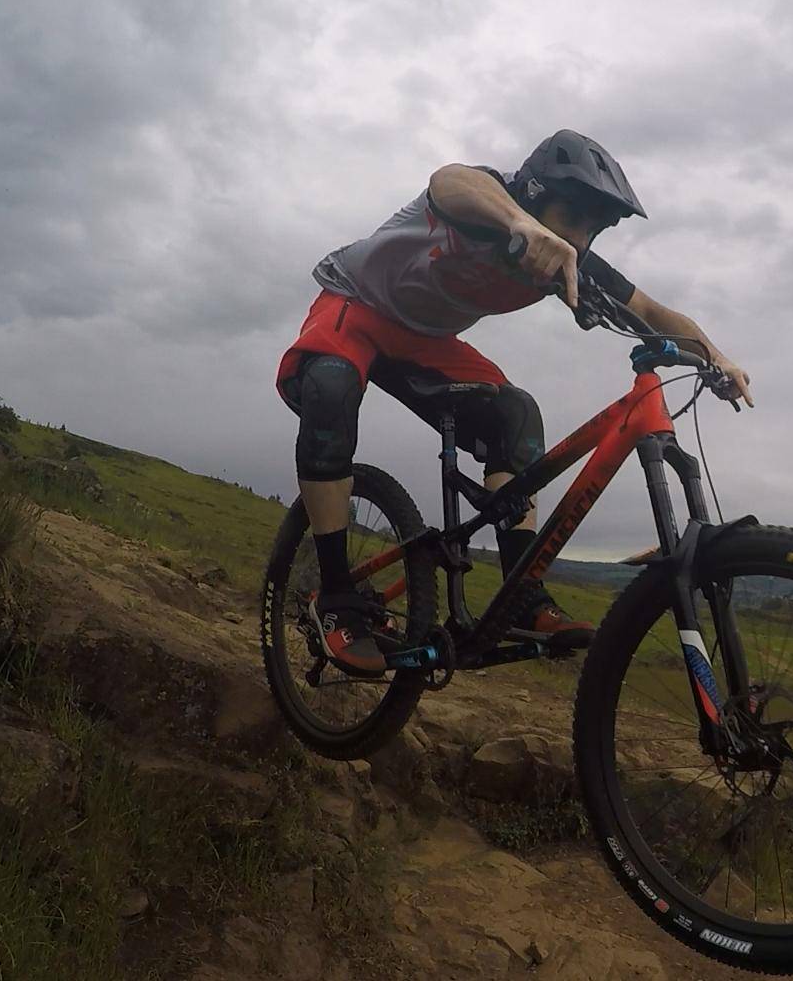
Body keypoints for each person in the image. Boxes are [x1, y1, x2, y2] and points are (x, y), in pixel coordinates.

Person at [275, 130, 753, 676]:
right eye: (570, 214)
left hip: (426, 340)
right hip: (355, 305)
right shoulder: (486, 203)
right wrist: (518, 222)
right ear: (532, 191)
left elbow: (653, 310)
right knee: (331, 390)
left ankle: (522, 593)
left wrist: (717, 357)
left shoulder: (570, 259)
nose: (578, 237)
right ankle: (334, 596)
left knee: (517, 414)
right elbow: (450, 181)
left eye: (593, 228)